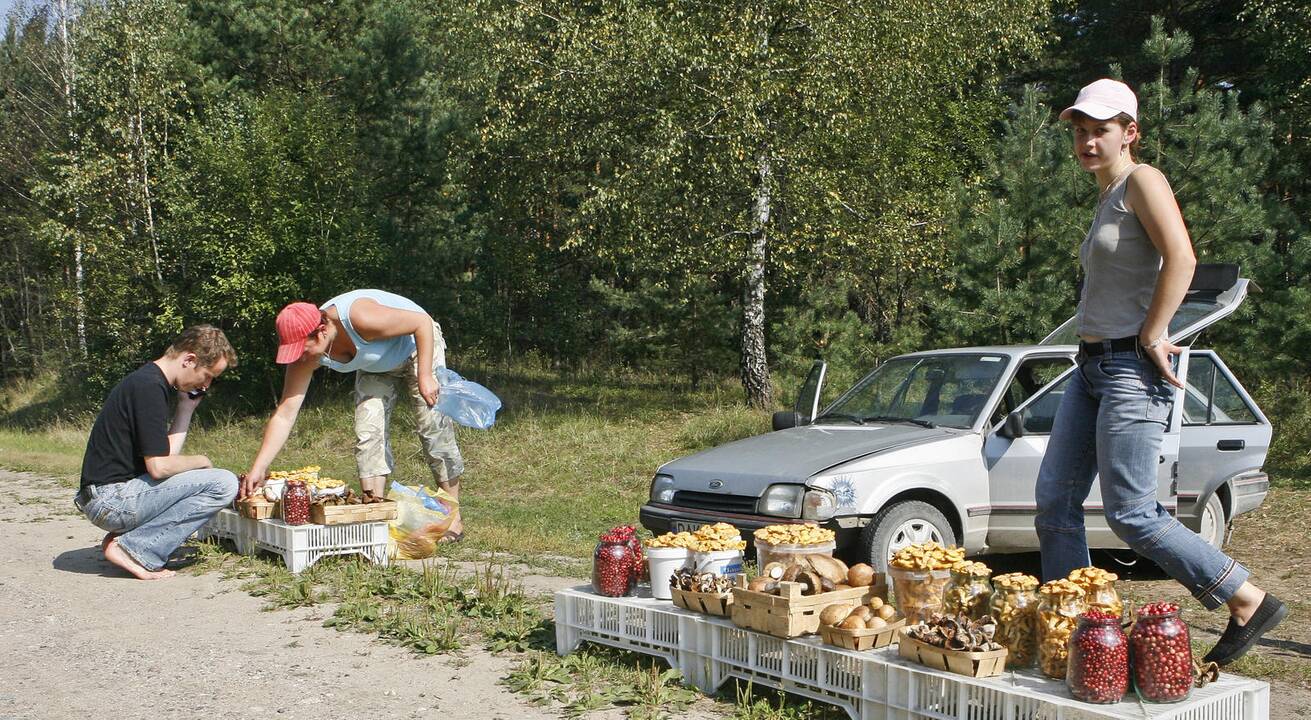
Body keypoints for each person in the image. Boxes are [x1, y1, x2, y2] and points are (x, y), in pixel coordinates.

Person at [1033, 78, 1285, 666]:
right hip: (1090, 367)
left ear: (1130, 133)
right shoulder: (1107, 194)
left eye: (1101, 130)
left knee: (1132, 511)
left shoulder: (1142, 181)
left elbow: (1184, 256)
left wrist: (1155, 332)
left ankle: (1246, 598)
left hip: (1129, 369)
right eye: (1081, 131)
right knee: (1055, 503)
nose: (1089, 141)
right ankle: (1078, 628)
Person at [241, 289, 466, 541]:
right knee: (368, 432)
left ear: (322, 331)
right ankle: (374, 517)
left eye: (303, 350)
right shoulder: (306, 352)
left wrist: (425, 375)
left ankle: (452, 516)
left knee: (432, 426)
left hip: (417, 346)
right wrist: (259, 467)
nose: (301, 358)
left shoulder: (359, 317)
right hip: (376, 362)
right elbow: (285, 413)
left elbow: (421, 323)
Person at [74, 325, 239, 580]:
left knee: (212, 479)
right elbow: (159, 468)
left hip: (108, 497)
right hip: (111, 500)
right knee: (223, 482)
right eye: (208, 375)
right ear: (189, 360)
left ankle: (130, 541)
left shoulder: (149, 382)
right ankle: (136, 549)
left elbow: (164, 458)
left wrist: (186, 409)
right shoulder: (149, 387)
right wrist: (202, 461)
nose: (206, 385)